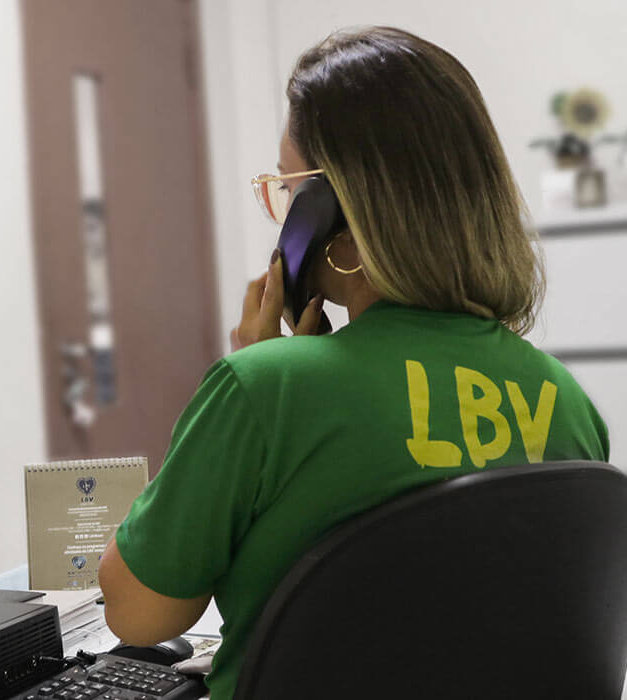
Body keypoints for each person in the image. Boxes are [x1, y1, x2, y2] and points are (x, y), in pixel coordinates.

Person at [99, 26, 609, 699]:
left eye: (288, 190)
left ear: (335, 217)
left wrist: (255, 382)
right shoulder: (565, 399)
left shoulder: (266, 389)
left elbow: (137, 616)